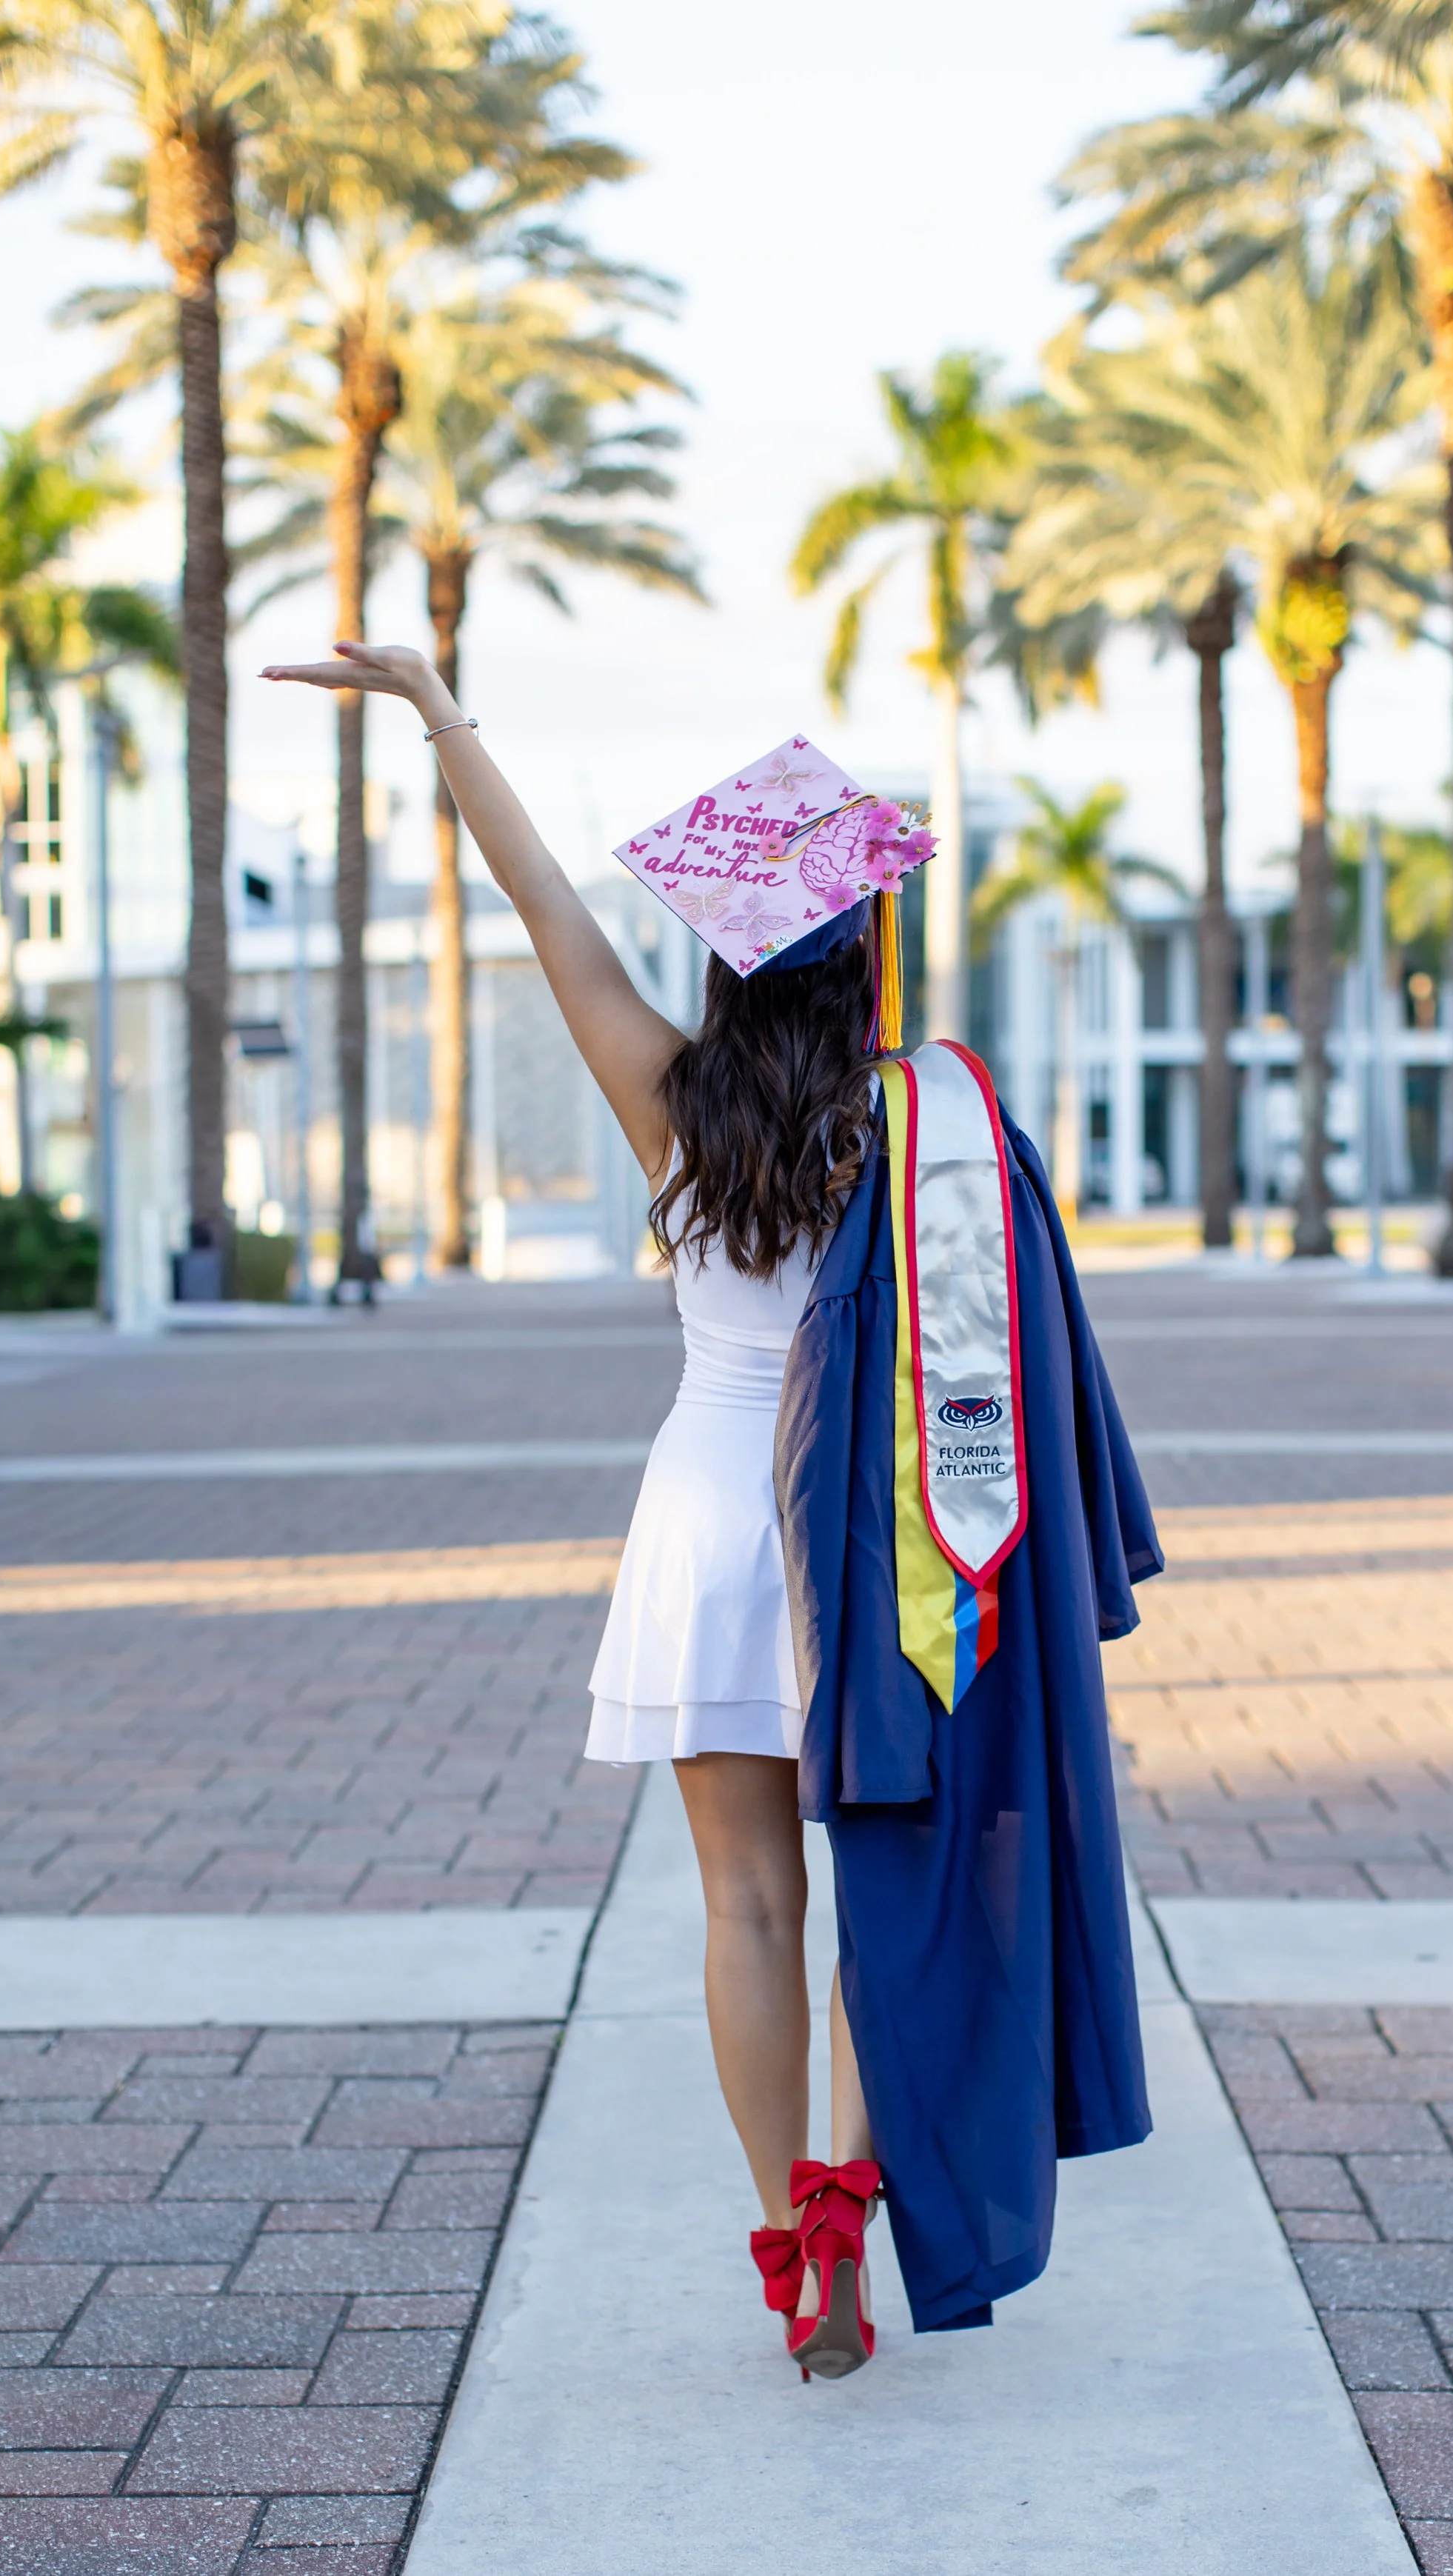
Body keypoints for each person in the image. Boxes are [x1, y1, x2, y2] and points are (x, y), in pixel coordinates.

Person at [261, 641, 1160, 2382]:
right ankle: (849, 2202)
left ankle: (782, 2239)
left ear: (720, 964)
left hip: (703, 1524)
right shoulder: (928, 1132)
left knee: (747, 1900)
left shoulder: (668, 1102)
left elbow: (536, 900)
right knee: (880, 1890)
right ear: (862, 956)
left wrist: (442, 711)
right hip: (875, 1545)